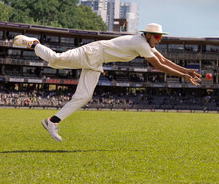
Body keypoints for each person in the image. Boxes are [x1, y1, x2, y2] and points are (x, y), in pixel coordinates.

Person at [14, 23, 201, 142]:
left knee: (84, 96)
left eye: (161, 38)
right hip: (94, 52)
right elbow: (159, 65)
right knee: (56, 60)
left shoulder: (144, 43)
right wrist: (183, 76)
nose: (159, 41)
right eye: (158, 37)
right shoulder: (141, 44)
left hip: (97, 61)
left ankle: (52, 121)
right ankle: (34, 44)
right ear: (148, 35)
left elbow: (165, 60)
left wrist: (186, 71)